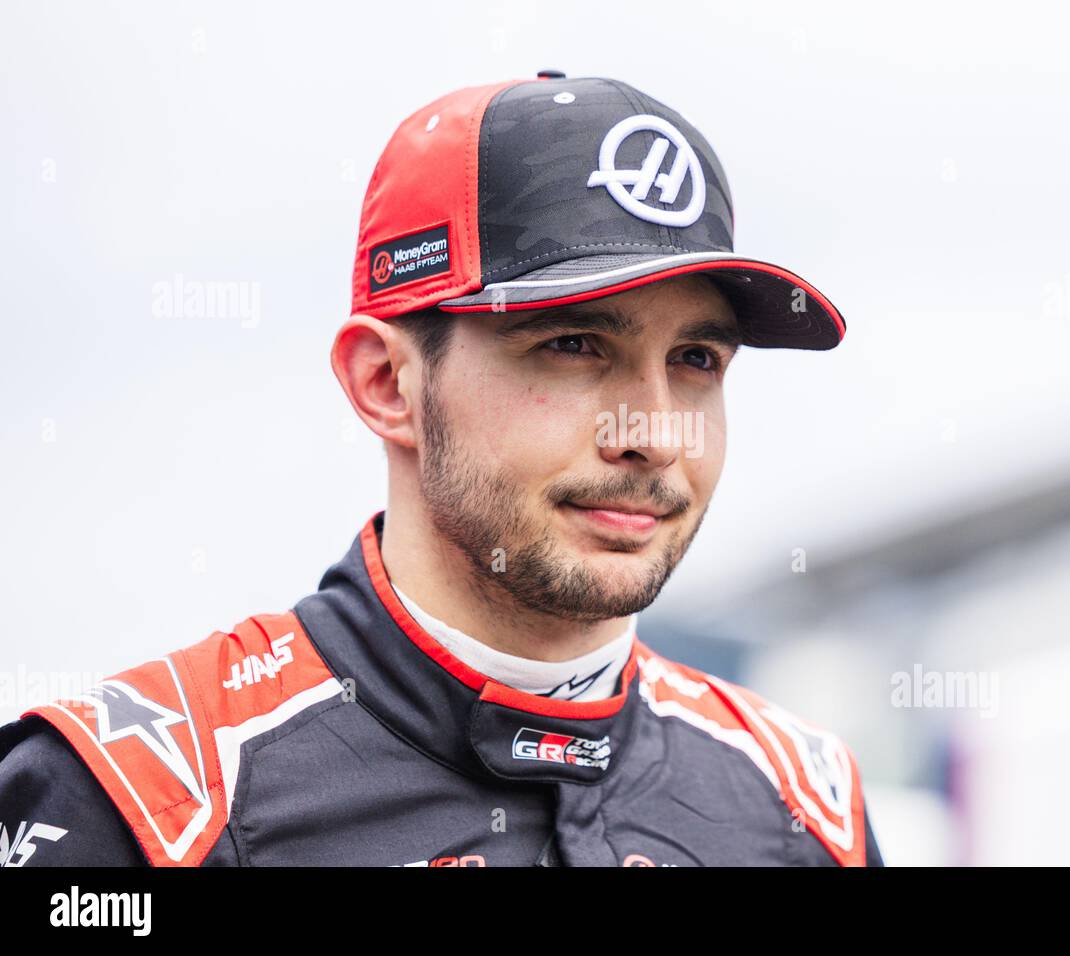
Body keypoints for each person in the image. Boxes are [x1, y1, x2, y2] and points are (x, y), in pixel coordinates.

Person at [0, 71, 883, 867]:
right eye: (573, 344)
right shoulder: (140, 800)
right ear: (387, 384)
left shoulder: (806, 809)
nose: (652, 434)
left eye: (696, 359)